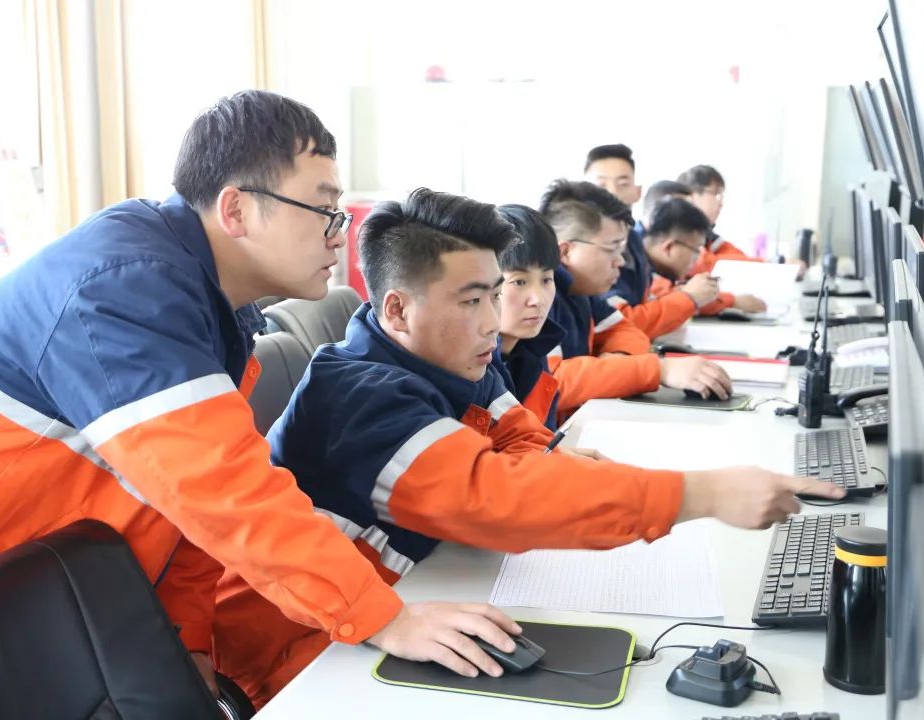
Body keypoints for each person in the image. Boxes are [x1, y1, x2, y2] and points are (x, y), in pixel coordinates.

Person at [0, 91, 520, 703]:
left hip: (31, 599)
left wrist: (187, 644)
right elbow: (223, 491)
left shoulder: (207, 306)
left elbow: (178, 513)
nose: (338, 234)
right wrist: (385, 618)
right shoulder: (123, 290)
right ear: (236, 210)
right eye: (324, 209)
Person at [216, 187, 842, 704]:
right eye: (473, 300)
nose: (495, 320)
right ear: (399, 310)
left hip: (398, 602)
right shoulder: (362, 396)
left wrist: (568, 472)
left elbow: (521, 437)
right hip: (300, 652)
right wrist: (701, 493)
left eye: (496, 293)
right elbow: (494, 496)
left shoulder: (450, 355)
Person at [537, 181, 734, 410]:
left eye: (621, 250)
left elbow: (625, 329)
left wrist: (619, 361)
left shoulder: (580, 288)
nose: (620, 261)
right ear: (566, 251)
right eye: (611, 249)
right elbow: (550, 384)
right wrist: (659, 370)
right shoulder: (537, 298)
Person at [494, 204, 566, 428]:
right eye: (519, 282)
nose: (538, 299)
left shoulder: (534, 350)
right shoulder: (469, 368)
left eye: (546, 280)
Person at [643, 197, 767, 316]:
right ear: (668, 248)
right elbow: (666, 298)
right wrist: (732, 301)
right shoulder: (640, 270)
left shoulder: (654, 267)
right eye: (696, 250)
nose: (698, 258)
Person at [677, 164, 807, 277]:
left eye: (722, 196)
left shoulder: (710, 238)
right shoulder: (679, 232)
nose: (721, 203)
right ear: (692, 195)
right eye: (716, 194)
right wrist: (772, 266)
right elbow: (707, 264)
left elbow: (740, 259)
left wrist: (775, 265)